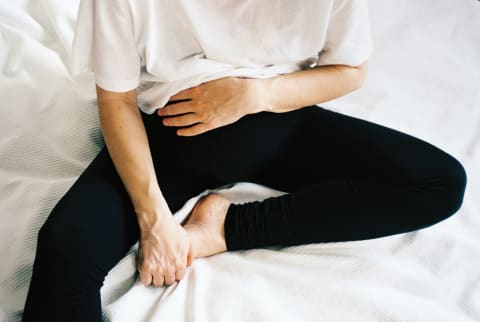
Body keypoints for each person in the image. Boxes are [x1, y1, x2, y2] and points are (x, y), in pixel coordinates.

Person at [22, 0, 467, 321]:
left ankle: (223, 228)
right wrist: (154, 220)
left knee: (440, 183)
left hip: (283, 120)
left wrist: (254, 95)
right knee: (64, 252)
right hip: (169, 139)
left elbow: (352, 69)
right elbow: (115, 98)